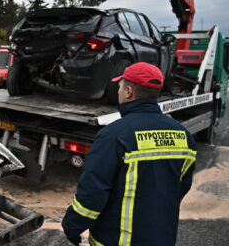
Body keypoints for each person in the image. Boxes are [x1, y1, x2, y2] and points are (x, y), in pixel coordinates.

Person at [62, 62, 197, 246]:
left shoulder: (114, 135)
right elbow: (180, 187)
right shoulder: (183, 135)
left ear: (128, 92)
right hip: (162, 237)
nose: (118, 92)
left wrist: (72, 226)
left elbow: (93, 192)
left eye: (119, 87)